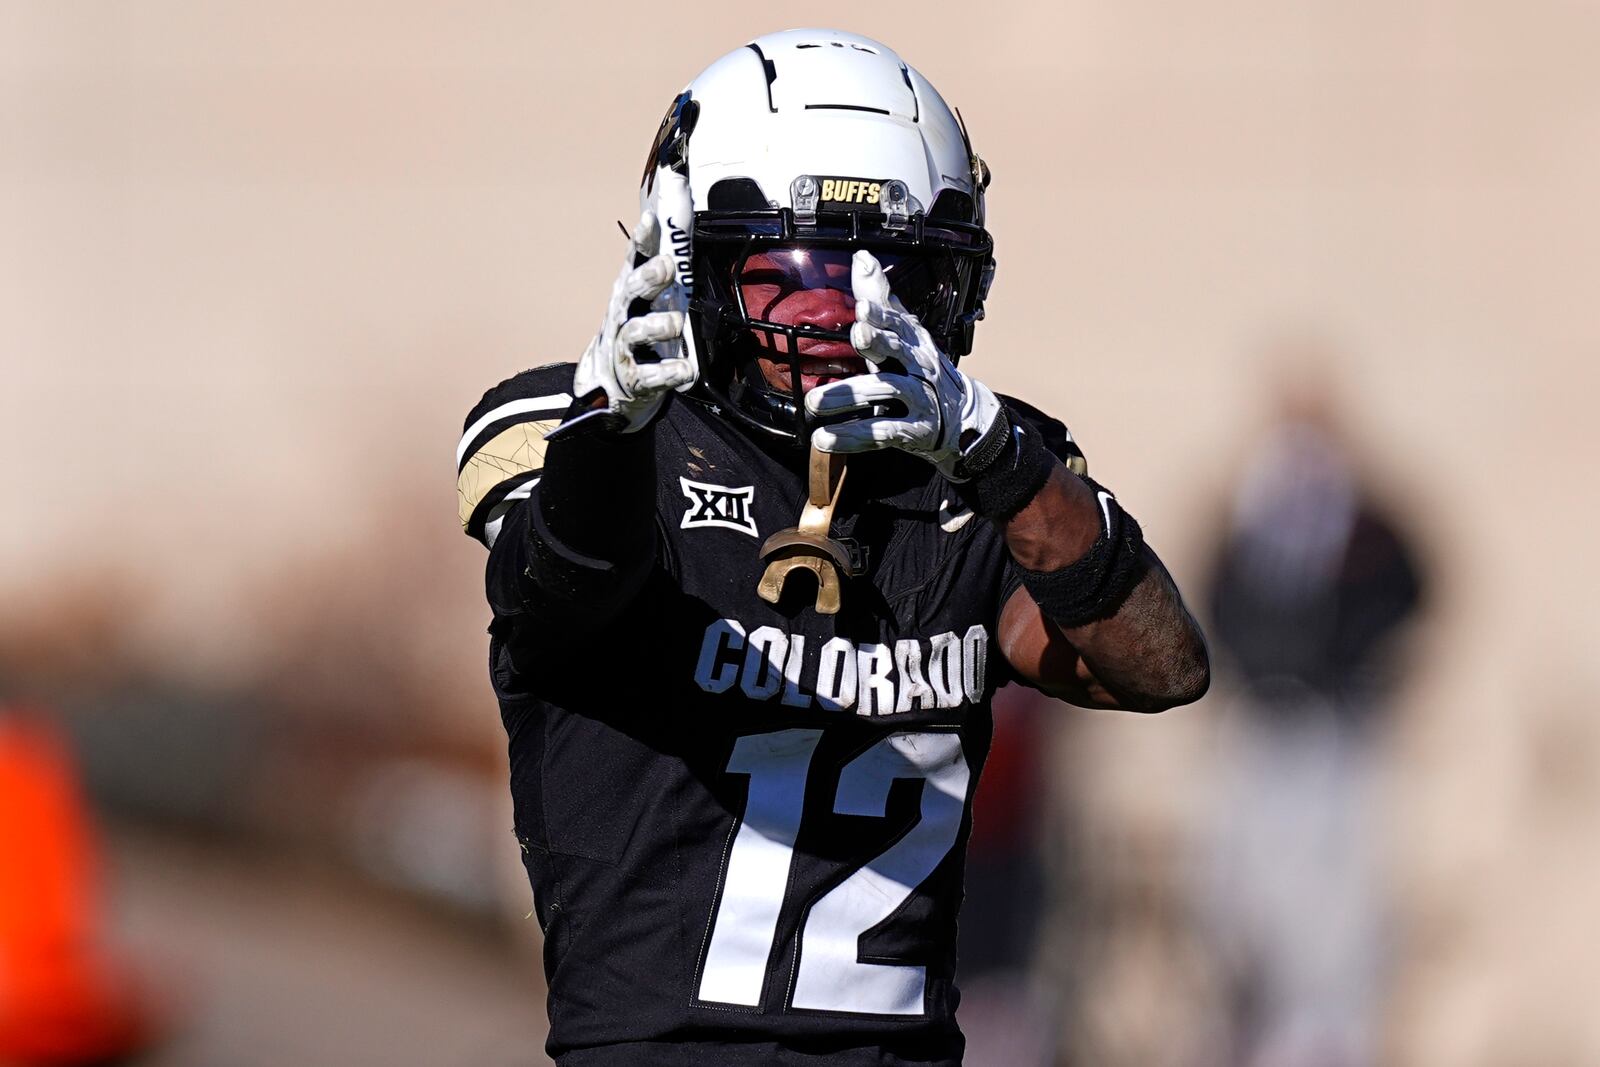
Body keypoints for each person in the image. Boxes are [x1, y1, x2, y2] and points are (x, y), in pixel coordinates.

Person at [457, 29, 1208, 1066]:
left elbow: (1159, 665)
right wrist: (608, 428)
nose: (844, 321)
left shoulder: (991, 467)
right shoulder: (568, 430)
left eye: (894, 275)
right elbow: (550, 601)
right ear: (685, 263)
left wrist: (1005, 463)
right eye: (788, 276)